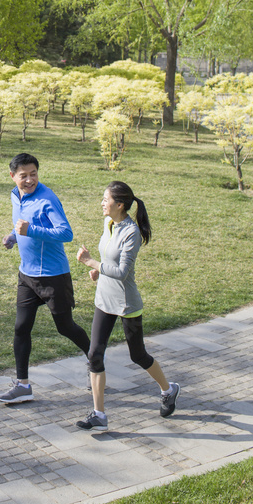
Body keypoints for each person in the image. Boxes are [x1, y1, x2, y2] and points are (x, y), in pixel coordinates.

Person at [75, 180, 180, 432]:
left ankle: (168, 389)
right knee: (94, 354)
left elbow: (122, 272)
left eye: (106, 199)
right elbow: (108, 258)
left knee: (138, 355)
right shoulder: (108, 223)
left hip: (126, 304)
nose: (102, 202)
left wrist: (92, 264)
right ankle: (98, 414)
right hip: (104, 300)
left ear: (119, 204)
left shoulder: (131, 232)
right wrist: (99, 272)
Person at [0, 152, 90, 404]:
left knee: (65, 327)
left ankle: (97, 362)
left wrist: (30, 230)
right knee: (21, 327)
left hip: (52, 276)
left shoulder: (48, 199)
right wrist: (14, 237)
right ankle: (23, 385)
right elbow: (21, 223)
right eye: (23, 175)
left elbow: (65, 233)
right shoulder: (16, 195)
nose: (29, 180)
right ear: (12, 176)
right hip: (26, 274)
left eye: (33, 174)